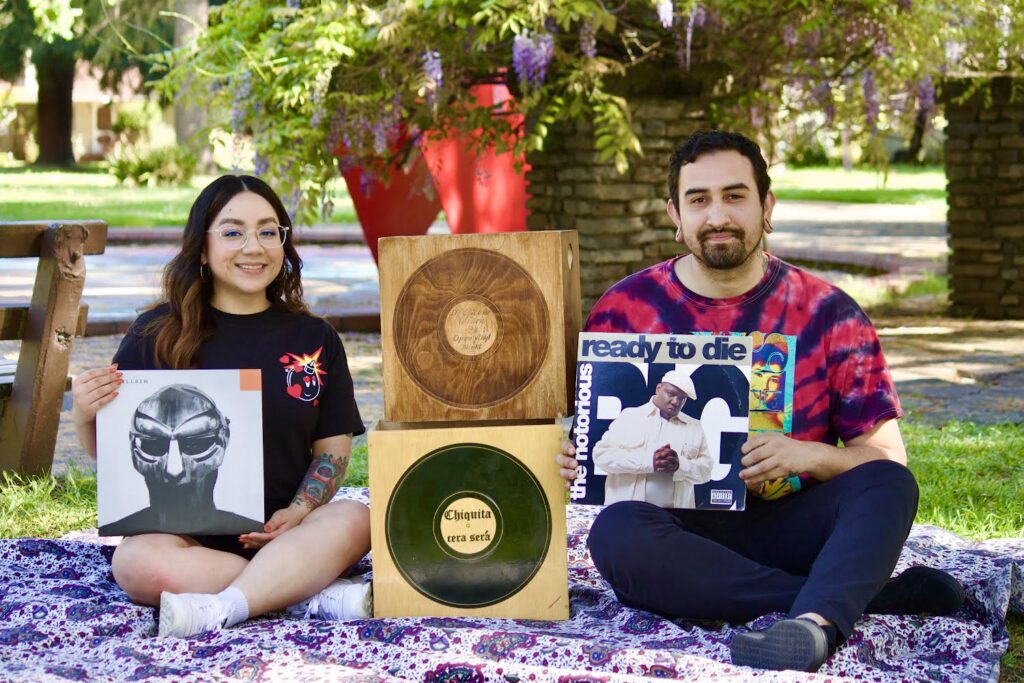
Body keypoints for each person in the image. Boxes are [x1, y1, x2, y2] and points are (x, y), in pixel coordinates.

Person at [554, 130, 964, 673]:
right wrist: (570, 457)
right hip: (679, 536)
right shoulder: (625, 309)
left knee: (890, 483)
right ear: (674, 214)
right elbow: (591, 444)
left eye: (735, 195)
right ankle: (839, 604)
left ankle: (813, 621)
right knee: (615, 533)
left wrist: (807, 455)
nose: (717, 215)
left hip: (796, 525)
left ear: (766, 206)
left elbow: (886, 457)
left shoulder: (829, 313)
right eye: (698, 200)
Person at [71, 175, 372, 639]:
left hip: (290, 529)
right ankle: (306, 595)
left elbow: (332, 452)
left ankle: (228, 604)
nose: (253, 246)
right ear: (202, 249)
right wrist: (85, 414)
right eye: (233, 232)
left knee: (359, 517)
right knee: (133, 562)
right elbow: (109, 450)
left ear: (283, 244)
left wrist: (299, 509)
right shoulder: (156, 333)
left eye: (268, 231)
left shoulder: (315, 339)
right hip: (187, 542)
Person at [101, 383, 261, 536]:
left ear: (224, 440)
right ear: (132, 445)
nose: (174, 469)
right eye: (154, 445)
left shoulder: (253, 529)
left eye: (194, 444)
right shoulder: (121, 529)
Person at [593, 369, 713, 508]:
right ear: (658, 388)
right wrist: (650, 461)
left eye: (682, 398)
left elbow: (706, 471)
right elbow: (601, 456)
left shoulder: (695, 427)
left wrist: (680, 465)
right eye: (671, 394)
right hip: (628, 514)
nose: (676, 402)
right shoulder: (630, 416)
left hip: (674, 519)